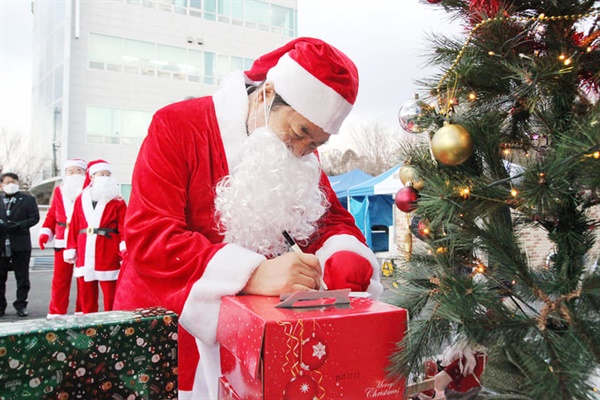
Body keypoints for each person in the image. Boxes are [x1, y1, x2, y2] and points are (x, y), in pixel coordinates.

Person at [113, 37, 383, 398]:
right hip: (168, 330)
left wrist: (344, 256)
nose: (303, 151)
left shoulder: (300, 155)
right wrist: (252, 273)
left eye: (316, 144)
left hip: (252, 336)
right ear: (267, 93)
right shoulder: (177, 125)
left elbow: (329, 220)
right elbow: (150, 234)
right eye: (301, 132)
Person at [64, 159, 127, 314]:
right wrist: (71, 247)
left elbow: (124, 225)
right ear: (92, 177)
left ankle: (113, 320)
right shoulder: (81, 198)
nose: (105, 177)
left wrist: (124, 245)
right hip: (85, 248)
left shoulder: (117, 200)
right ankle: (88, 322)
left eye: (108, 174)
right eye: (101, 174)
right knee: (86, 290)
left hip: (107, 248)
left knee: (110, 290)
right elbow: (74, 225)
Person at [39, 159, 88, 318]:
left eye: (78, 171)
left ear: (85, 173)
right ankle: (56, 312)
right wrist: (46, 232)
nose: (74, 175)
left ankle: (82, 311)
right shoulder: (60, 191)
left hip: (83, 239)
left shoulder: (89, 191)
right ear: (66, 174)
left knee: (83, 279)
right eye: (71, 171)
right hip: (62, 238)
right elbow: (52, 213)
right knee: (60, 279)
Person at [0, 172, 40, 317]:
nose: (11, 184)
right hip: (2, 243)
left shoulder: (28, 199)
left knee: (22, 277)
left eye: (14, 182)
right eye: (7, 182)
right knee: (1, 277)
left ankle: (21, 305)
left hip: (21, 243)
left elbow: (34, 218)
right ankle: (1, 306)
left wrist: (18, 225)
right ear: (1, 184)